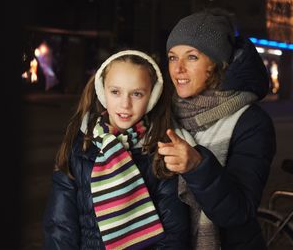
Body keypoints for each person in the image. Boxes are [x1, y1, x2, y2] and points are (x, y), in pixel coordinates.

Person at [43, 50, 191, 249]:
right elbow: (60, 226)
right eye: (116, 92)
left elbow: (174, 232)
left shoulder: (161, 151)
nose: (125, 104)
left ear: (152, 96)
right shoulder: (79, 146)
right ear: (103, 91)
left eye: (137, 94)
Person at [158, 9, 276, 249]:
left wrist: (198, 167)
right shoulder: (163, 112)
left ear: (217, 63)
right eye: (172, 57)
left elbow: (239, 212)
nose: (178, 68)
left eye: (191, 57)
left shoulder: (251, 122)